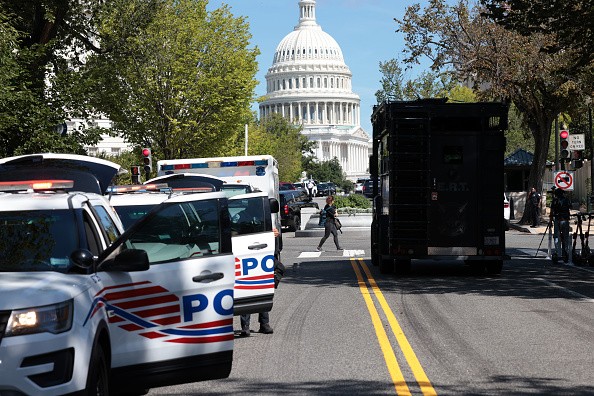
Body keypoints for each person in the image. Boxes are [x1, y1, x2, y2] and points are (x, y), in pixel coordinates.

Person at [240, 227, 281, 337]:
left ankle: (264, 323)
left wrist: (275, 235)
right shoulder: (241, 219)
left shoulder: (262, 218)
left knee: (263, 288)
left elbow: (276, 244)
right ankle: (245, 326)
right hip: (246, 254)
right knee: (246, 290)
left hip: (262, 254)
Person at [550, 187, 571, 263]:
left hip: (558, 219)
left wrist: (550, 221)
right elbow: (570, 207)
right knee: (565, 237)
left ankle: (558, 252)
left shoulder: (555, 200)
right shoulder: (566, 200)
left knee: (557, 236)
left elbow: (551, 211)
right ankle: (565, 251)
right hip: (565, 219)